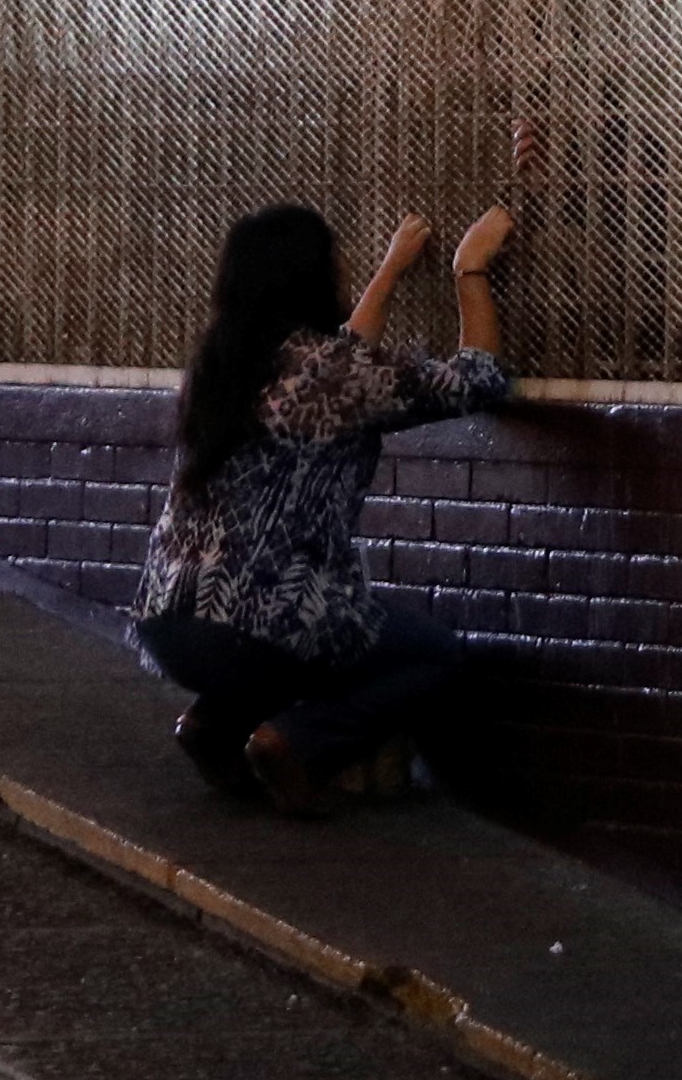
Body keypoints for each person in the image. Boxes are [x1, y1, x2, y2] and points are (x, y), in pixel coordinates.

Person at [137, 150, 534, 817]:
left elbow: (341, 361)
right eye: (336, 263)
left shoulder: (218, 372)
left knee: (272, 631)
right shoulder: (325, 372)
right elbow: (478, 380)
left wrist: (390, 271)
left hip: (166, 622)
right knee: (433, 656)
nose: (344, 271)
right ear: (309, 277)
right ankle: (295, 744)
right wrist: (470, 269)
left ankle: (213, 727)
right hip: (256, 626)